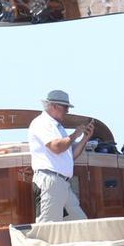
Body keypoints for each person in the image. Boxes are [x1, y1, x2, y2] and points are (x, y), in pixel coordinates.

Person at [28, 90, 94, 223]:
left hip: (61, 183)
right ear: (53, 106)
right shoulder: (41, 123)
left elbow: (71, 156)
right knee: (48, 226)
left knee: (80, 223)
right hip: (50, 180)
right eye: (65, 107)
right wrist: (75, 134)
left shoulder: (58, 127)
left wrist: (84, 139)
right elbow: (56, 147)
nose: (67, 111)